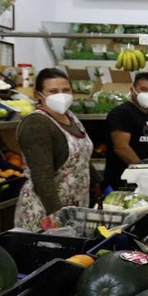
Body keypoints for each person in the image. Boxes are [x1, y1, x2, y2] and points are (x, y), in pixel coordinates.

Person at [14, 68, 100, 229]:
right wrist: (58, 216)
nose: (61, 95)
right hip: (46, 212)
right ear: (38, 95)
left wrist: (101, 185)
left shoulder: (71, 117)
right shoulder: (36, 124)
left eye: (66, 90)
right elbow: (42, 178)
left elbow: (81, 158)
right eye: (53, 91)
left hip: (75, 207)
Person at [103, 71, 148, 190]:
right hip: (124, 184)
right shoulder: (122, 113)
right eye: (143, 89)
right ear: (133, 89)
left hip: (145, 183)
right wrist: (144, 174)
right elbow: (121, 148)